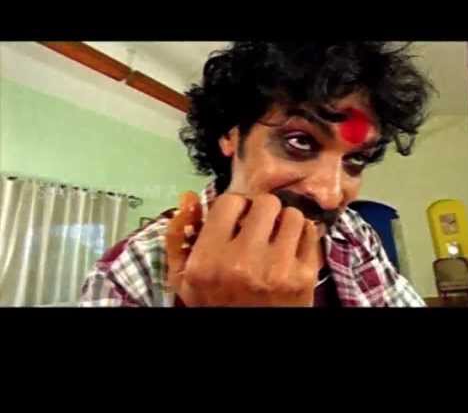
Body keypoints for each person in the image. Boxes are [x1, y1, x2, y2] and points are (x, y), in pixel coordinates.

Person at [78, 42, 433, 307]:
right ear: (231, 135)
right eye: (300, 141)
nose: (329, 195)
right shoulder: (136, 270)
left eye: (356, 159)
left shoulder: (354, 236)